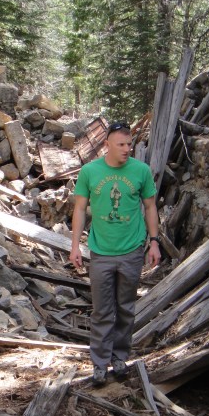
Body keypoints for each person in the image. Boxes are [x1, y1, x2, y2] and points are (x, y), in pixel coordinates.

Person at [69, 122, 161, 385]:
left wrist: (154, 242)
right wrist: (75, 246)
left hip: (132, 251)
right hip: (100, 251)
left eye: (129, 144)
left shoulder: (141, 171)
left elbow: (151, 207)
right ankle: (99, 363)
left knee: (125, 308)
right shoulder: (90, 171)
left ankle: (119, 357)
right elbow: (79, 209)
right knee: (101, 310)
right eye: (120, 144)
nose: (126, 149)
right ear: (107, 145)